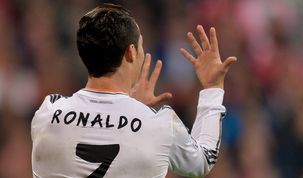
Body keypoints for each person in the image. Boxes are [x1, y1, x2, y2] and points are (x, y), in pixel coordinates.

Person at [31, 3, 236, 178]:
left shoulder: (47, 114)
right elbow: (203, 160)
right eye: (140, 46)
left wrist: (131, 106)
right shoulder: (159, 126)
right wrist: (212, 88)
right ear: (130, 53)